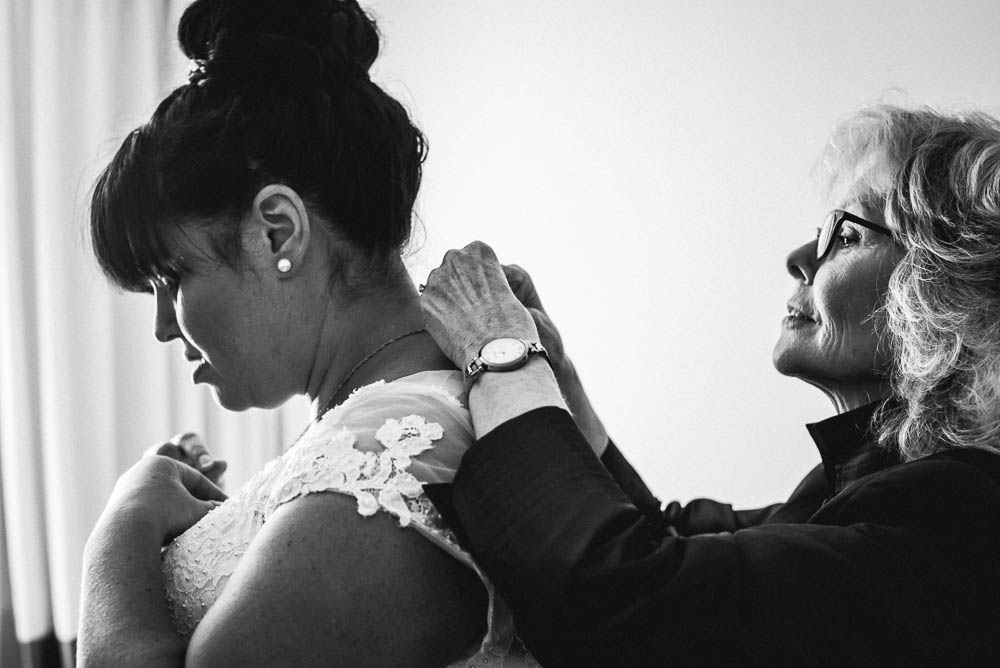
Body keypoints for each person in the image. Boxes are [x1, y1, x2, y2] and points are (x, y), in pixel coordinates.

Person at [74, 0, 660, 664]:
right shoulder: (384, 427)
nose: (161, 326)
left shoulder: (394, 452)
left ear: (277, 232)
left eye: (173, 278)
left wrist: (121, 526)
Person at [419, 104, 1000, 667]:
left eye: (845, 235)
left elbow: (623, 598)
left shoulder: (958, 516)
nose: (799, 257)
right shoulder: (842, 487)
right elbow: (669, 537)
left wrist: (498, 352)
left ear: (951, 286)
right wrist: (557, 374)